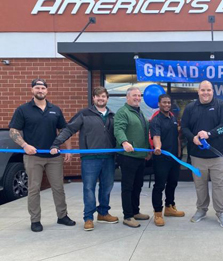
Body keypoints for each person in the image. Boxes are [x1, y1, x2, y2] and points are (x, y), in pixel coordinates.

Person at [8, 78, 76, 232]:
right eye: (37, 88)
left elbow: (64, 131)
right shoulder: (23, 110)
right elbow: (14, 131)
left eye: (43, 88)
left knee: (58, 187)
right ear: (32, 90)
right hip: (33, 157)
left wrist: (68, 150)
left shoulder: (55, 109)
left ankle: (62, 216)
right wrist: (25, 145)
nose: (40, 90)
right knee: (33, 189)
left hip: (54, 157)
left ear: (47, 91)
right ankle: (35, 220)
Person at [50, 86, 118, 231]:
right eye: (98, 96)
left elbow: (119, 134)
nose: (101, 99)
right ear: (93, 98)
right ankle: (88, 217)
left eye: (103, 96)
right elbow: (69, 129)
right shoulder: (84, 114)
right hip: (90, 158)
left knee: (107, 187)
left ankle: (103, 213)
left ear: (107, 99)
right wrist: (56, 143)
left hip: (109, 158)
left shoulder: (113, 115)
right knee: (89, 188)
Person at [181, 80, 223, 228]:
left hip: (218, 155)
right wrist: (193, 138)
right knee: (200, 185)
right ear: (198, 91)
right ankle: (201, 210)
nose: (206, 93)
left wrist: (209, 134)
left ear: (213, 91)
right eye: (203, 90)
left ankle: (221, 212)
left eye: (208, 90)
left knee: (219, 186)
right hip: (197, 156)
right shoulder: (190, 108)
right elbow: (184, 127)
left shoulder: (221, 105)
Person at [114, 86, 151, 228]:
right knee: (128, 187)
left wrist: (147, 150)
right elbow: (118, 129)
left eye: (139, 95)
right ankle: (128, 216)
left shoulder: (139, 112)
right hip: (128, 156)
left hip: (140, 156)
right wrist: (124, 142)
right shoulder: (123, 112)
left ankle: (136, 211)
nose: (137, 98)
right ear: (127, 97)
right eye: (134, 95)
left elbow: (143, 133)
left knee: (138, 185)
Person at [150, 94, 185, 227]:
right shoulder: (156, 120)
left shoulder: (173, 118)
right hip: (161, 159)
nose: (166, 105)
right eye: (164, 102)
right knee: (159, 186)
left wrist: (179, 152)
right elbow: (156, 136)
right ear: (159, 104)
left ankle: (169, 207)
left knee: (173, 183)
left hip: (174, 158)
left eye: (168, 102)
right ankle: (158, 212)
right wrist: (157, 147)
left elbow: (176, 137)